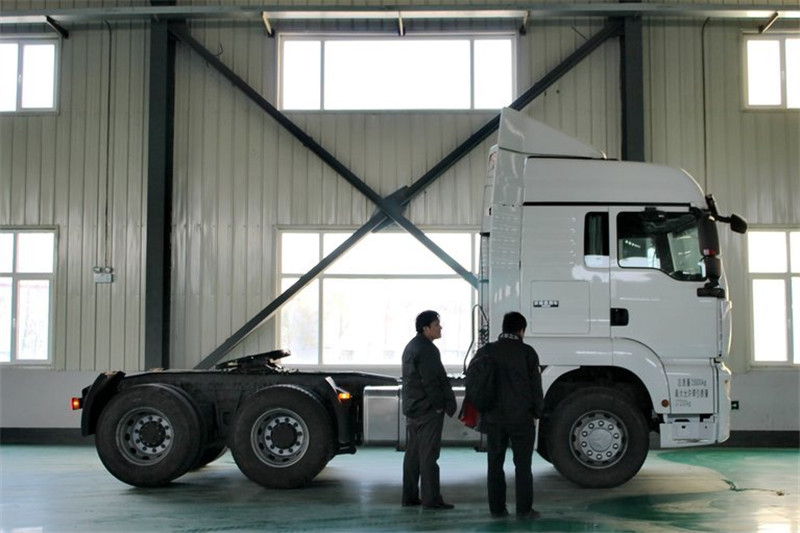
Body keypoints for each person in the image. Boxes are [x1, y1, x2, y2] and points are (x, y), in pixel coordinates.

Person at [480, 311, 543, 520]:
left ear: (504, 327)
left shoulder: (487, 350)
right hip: (521, 418)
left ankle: (497, 509)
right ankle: (524, 510)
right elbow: (535, 388)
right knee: (523, 466)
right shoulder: (527, 353)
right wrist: (537, 412)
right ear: (521, 330)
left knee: (495, 464)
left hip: (494, 418)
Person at [401, 310, 457, 510]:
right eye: (436, 325)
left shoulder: (412, 346)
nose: (440, 328)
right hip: (427, 409)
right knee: (429, 456)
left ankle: (409, 497)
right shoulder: (427, 349)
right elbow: (432, 381)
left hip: (413, 407)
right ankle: (431, 499)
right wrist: (440, 405)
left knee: (413, 454)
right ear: (426, 328)